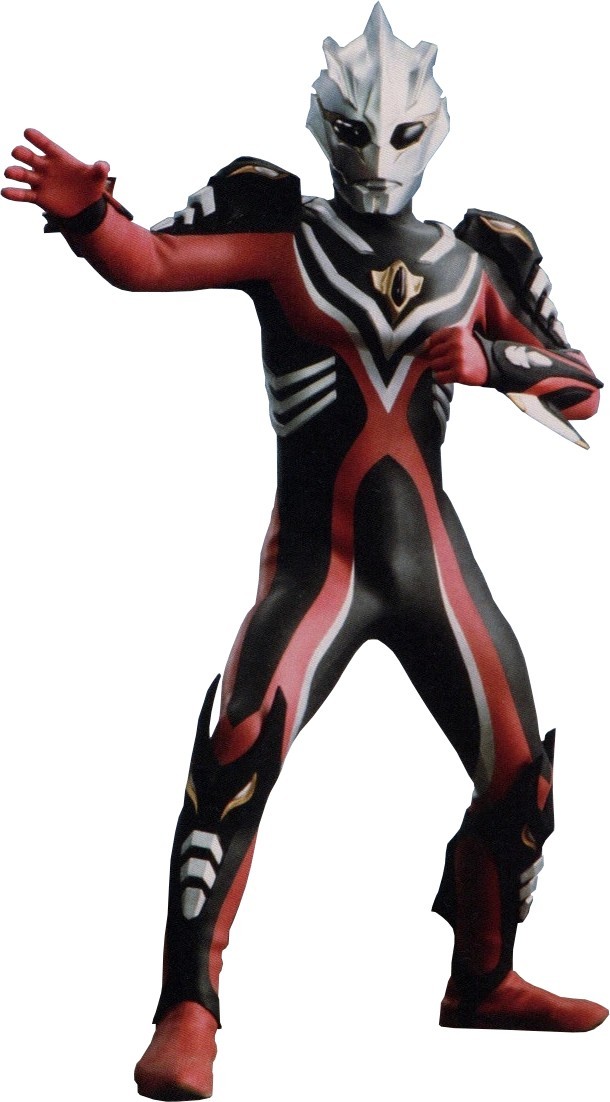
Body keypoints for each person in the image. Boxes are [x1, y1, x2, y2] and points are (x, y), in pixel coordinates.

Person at [3, 5, 606, 1100]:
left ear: (432, 130)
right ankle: (188, 1009)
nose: (377, 158)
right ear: (328, 127)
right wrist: (89, 214)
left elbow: (582, 386)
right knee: (238, 746)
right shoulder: (283, 232)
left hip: (432, 562)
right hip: (317, 564)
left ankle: (483, 979)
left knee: (520, 777)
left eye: (397, 134)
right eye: (360, 133)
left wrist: (496, 365)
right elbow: (147, 261)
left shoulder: (478, 260)